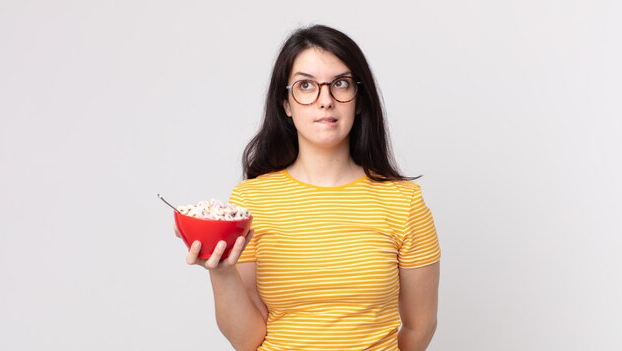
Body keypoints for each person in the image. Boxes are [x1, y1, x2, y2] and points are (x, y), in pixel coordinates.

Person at [181, 24, 441, 351]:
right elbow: (246, 340)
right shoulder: (250, 202)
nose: (325, 100)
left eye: (341, 84)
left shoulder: (404, 202)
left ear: (359, 100)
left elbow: (420, 327)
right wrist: (221, 273)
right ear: (286, 104)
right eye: (306, 85)